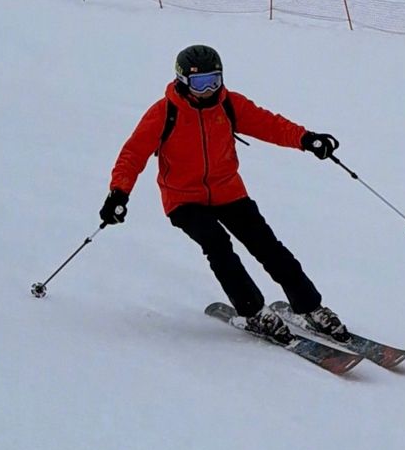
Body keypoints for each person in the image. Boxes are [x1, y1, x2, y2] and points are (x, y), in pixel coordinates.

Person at [99, 44, 350, 344]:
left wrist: (306, 139)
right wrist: (118, 193)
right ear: (182, 81)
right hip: (183, 200)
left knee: (267, 246)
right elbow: (133, 154)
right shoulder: (164, 113)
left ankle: (310, 308)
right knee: (217, 245)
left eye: (214, 81)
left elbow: (268, 124)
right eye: (200, 83)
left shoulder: (228, 104)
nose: (207, 90)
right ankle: (253, 311)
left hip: (228, 191)